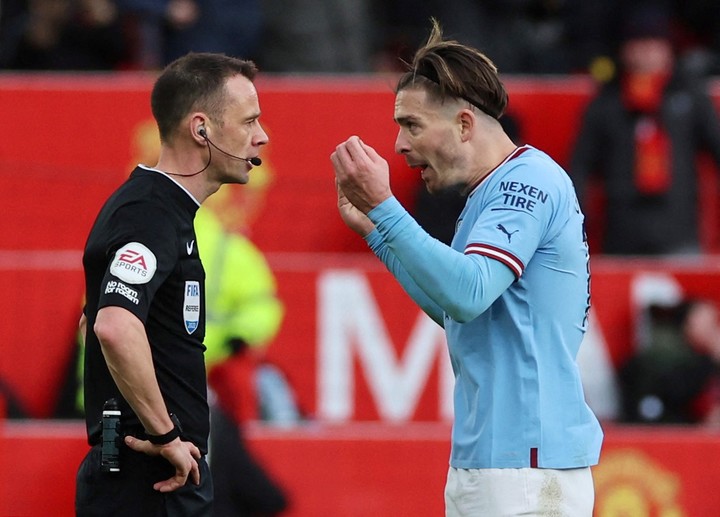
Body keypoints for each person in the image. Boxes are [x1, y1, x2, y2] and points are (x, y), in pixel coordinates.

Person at [331, 19, 603, 516]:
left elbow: (469, 292)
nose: (398, 145)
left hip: (528, 469)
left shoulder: (530, 181)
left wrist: (387, 207)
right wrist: (377, 233)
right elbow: (459, 311)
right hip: (496, 464)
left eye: (411, 124)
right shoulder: (489, 194)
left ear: (463, 123)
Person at [75, 52, 268, 516]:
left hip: (143, 474)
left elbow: (92, 321)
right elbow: (112, 326)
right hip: (149, 480)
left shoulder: (161, 211)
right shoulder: (151, 214)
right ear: (201, 129)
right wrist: (165, 435)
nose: (262, 137)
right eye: (249, 121)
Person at [569, 2, 720, 255]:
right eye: (638, 44)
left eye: (654, 44)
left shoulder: (691, 95)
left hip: (679, 232)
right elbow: (580, 166)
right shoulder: (606, 102)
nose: (646, 53)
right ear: (625, 50)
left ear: (668, 49)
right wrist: (577, 222)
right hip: (621, 233)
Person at [619, 299, 720, 425]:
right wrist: (712, 360)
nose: (715, 330)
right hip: (651, 422)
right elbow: (677, 390)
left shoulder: (699, 356)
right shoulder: (666, 351)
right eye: (710, 323)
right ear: (688, 322)